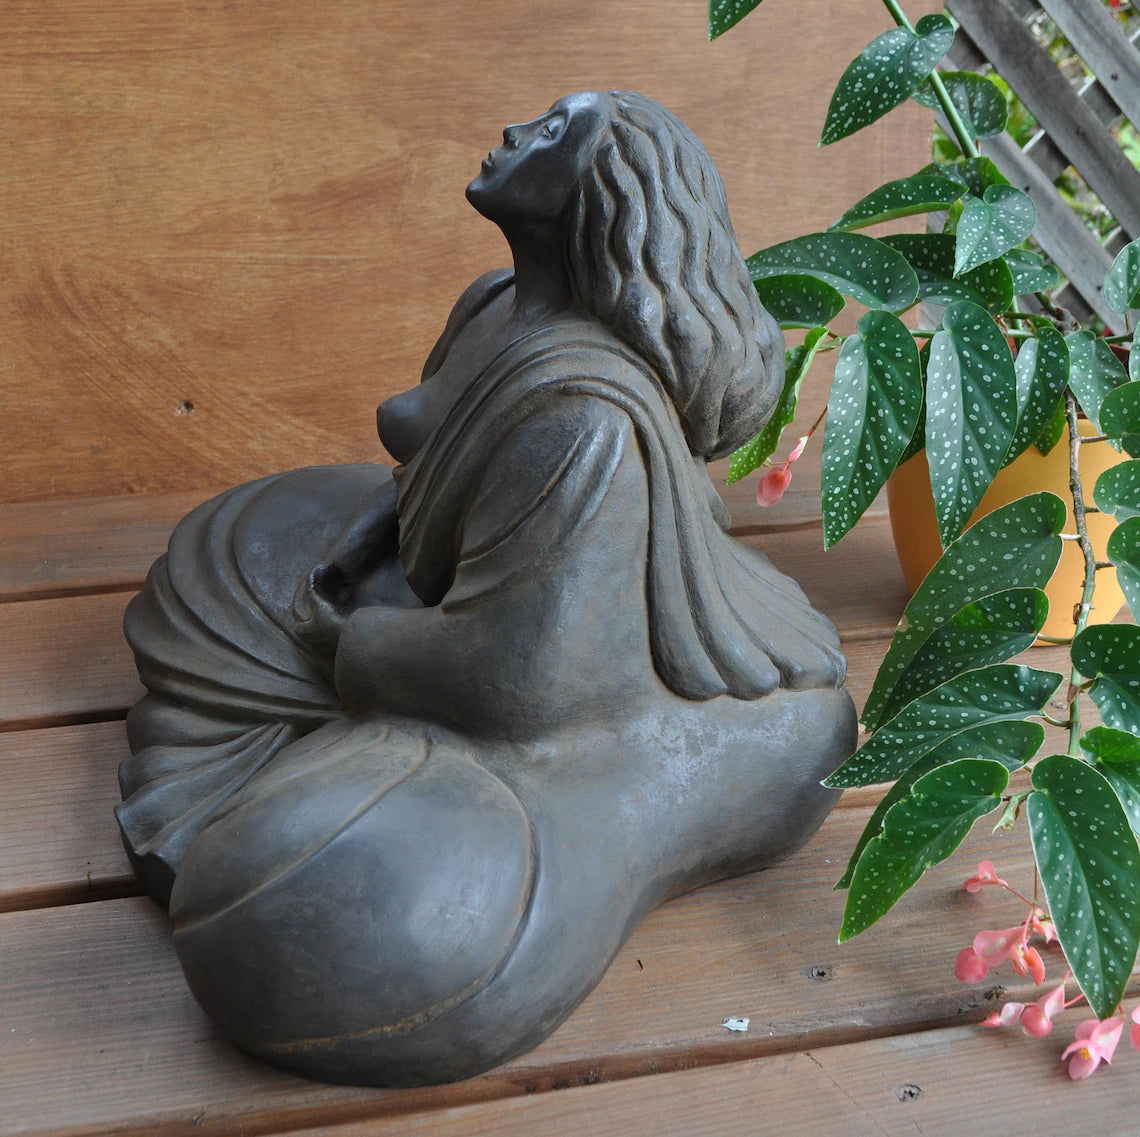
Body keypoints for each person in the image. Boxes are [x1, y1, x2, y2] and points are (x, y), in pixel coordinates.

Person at [118, 90, 856, 1087]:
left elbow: (518, 688)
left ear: (609, 197)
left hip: (556, 716)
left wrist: (351, 638)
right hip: (442, 599)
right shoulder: (493, 304)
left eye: (555, 133)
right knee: (243, 536)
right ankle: (336, 766)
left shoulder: (582, 421)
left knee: (321, 903)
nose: (517, 134)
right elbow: (414, 475)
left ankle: (449, 814)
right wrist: (363, 550)